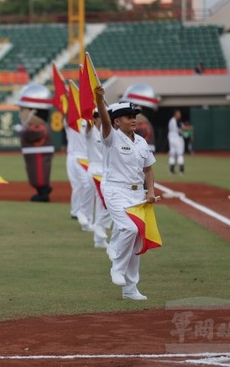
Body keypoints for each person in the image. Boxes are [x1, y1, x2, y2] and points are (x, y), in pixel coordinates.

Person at [96, 87, 157, 301]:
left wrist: (150, 191)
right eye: (127, 117)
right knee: (128, 229)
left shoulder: (141, 142)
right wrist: (99, 99)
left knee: (137, 241)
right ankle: (117, 268)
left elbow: (148, 169)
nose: (133, 120)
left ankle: (130, 289)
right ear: (116, 122)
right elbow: (103, 119)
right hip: (114, 190)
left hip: (137, 194)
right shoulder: (110, 137)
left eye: (134, 117)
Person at [15, 83, 55, 202]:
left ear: (33, 112)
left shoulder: (39, 128)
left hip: (39, 157)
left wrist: (22, 132)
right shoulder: (35, 126)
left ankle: (43, 193)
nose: (21, 113)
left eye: (23, 110)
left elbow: (33, 135)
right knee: (33, 174)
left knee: (39, 174)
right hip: (34, 156)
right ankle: (42, 190)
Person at [85, 109, 111, 248]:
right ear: (94, 119)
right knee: (107, 202)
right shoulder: (91, 132)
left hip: (105, 171)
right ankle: (98, 227)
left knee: (102, 204)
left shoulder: (106, 133)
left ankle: (99, 240)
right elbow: (88, 124)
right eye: (99, 117)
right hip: (95, 171)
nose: (102, 119)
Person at [65, 110, 93, 231]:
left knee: (87, 185)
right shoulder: (73, 120)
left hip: (86, 158)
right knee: (80, 185)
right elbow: (67, 114)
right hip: (76, 156)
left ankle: (80, 211)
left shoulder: (92, 119)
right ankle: (78, 211)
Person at [167, 109, 185, 175]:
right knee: (180, 155)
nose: (179, 115)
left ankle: (171, 171)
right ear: (175, 114)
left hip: (171, 139)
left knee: (172, 155)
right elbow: (182, 128)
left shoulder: (171, 121)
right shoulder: (176, 121)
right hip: (177, 139)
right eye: (178, 114)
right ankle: (181, 171)